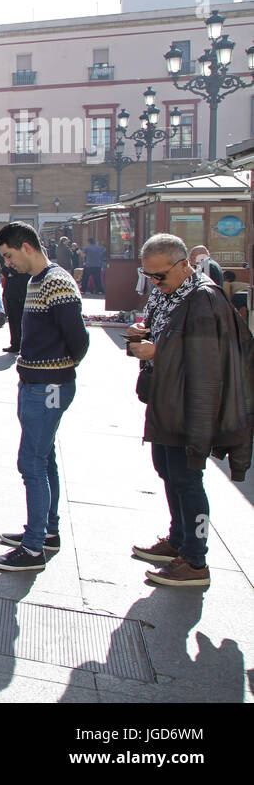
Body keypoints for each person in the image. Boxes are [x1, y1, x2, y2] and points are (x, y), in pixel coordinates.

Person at [126, 234, 253, 588]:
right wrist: (142, 334)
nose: (154, 282)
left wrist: (158, 353)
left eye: (160, 276)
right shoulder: (170, 291)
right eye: (148, 275)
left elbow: (207, 361)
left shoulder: (204, 298)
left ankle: (196, 561)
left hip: (189, 404)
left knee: (187, 478)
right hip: (165, 399)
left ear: (184, 265)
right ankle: (179, 540)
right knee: (168, 470)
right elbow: (163, 332)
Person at [0, 222, 89, 571]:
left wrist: (56, 370)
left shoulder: (56, 282)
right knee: (43, 460)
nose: (7, 263)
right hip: (39, 383)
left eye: (9, 255)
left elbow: (79, 340)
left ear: (26, 247)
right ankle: (46, 532)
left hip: (48, 386)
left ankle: (32, 549)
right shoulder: (37, 280)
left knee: (31, 461)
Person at [1, 260, 30, 354]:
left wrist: (10, 271)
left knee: (19, 321)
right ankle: (15, 344)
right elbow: (5, 272)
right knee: (12, 320)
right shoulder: (12, 261)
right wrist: (8, 269)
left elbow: (16, 274)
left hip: (19, 295)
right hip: (10, 294)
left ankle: (21, 344)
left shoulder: (24, 261)